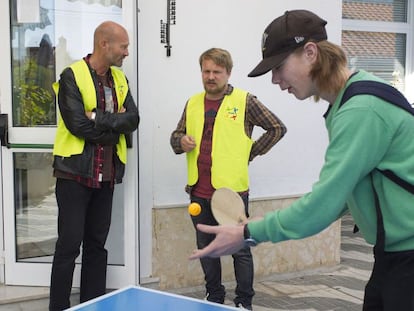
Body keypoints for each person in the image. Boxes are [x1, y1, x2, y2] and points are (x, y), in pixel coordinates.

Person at [189, 9, 414, 311]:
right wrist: (262, 223)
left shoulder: (360, 110)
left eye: (279, 67)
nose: (275, 80)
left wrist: (248, 233)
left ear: (310, 53)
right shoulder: (348, 102)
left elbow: (323, 204)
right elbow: (342, 196)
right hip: (393, 254)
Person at [171, 47, 287, 310]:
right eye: (206, 71)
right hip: (198, 191)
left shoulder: (245, 101)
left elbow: (277, 128)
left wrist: (250, 152)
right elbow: (175, 136)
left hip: (232, 193)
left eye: (216, 72)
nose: (210, 77)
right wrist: (181, 141)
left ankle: (244, 302)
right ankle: (214, 296)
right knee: (206, 246)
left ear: (228, 73)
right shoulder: (192, 103)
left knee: (240, 249)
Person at [49, 21, 139, 311]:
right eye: (123, 46)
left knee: (97, 247)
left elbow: (133, 120)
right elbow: (77, 125)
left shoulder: (120, 80)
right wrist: (115, 124)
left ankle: (92, 306)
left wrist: (97, 117)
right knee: (68, 247)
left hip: (107, 176)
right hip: (74, 175)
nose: (127, 52)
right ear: (104, 44)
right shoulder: (71, 76)